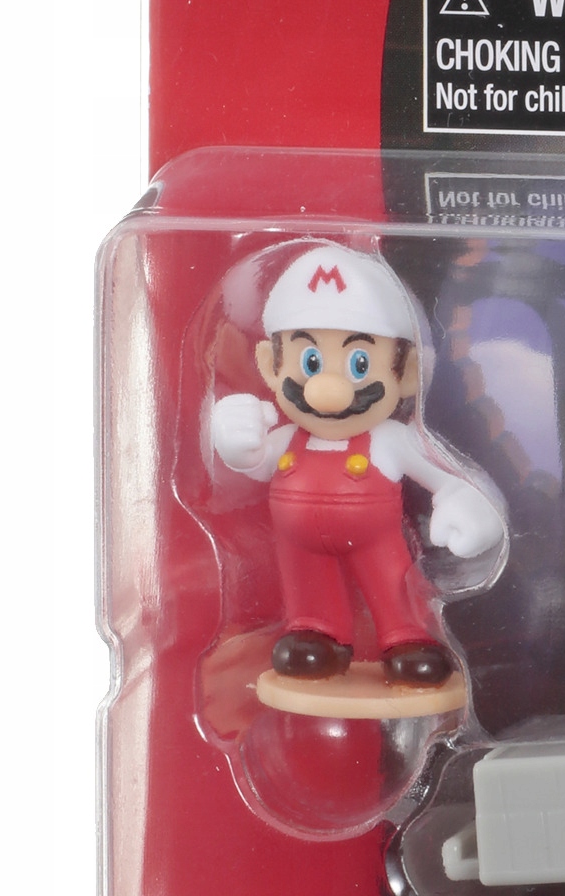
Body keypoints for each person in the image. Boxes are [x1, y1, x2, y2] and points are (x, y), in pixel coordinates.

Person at [210, 242, 506, 687]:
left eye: (359, 363)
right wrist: (235, 441)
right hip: (299, 546)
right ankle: (316, 633)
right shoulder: (285, 438)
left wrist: (467, 505)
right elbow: (252, 462)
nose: (328, 390)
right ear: (271, 366)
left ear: (405, 374)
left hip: (377, 542)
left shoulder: (391, 440)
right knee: (307, 589)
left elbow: (444, 476)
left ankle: (406, 637)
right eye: (311, 361)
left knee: (392, 583)